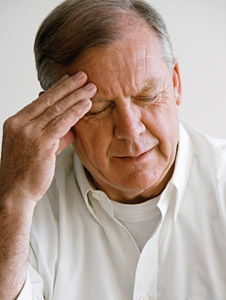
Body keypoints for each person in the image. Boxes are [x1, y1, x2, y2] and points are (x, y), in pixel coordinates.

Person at [0, 0, 226, 299]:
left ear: (175, 83)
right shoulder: (22, 208)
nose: (131, 131)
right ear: (55, 114)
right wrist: (14, 200)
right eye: (98, 108)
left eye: (147, 96)